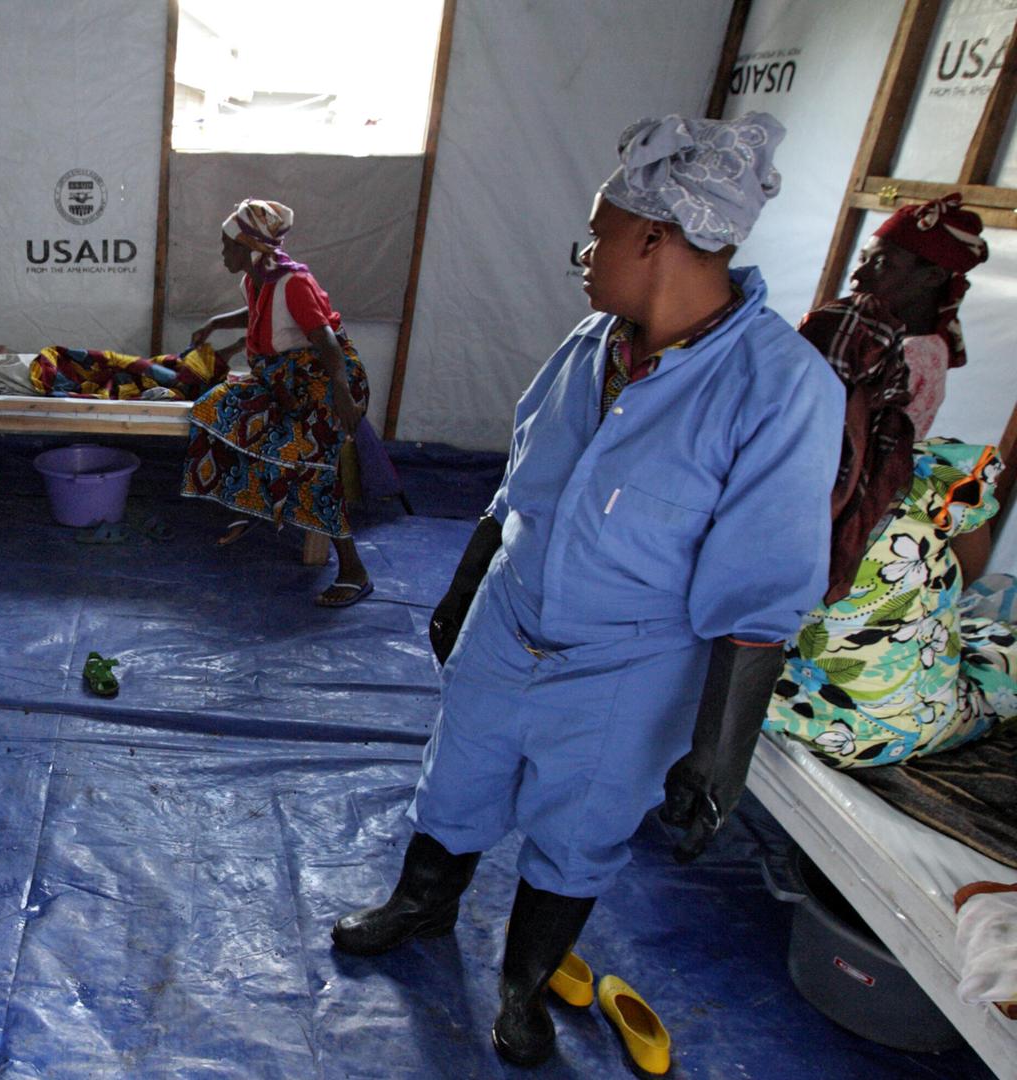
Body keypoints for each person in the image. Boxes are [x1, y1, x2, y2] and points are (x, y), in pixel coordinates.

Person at [329, 113, 844, 1067]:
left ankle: (523, 988)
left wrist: (718, 755)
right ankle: (422, 907)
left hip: (632, 661)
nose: (584, 255)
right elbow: (524, 477)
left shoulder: (782, 388)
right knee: (459, 775)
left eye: (596, 232)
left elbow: (764, 587)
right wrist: (465, 583)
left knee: (584, 826)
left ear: (656, 237)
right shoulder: (591, 342)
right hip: (510, 614)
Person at [768, 438, 1017, 766]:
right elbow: (970, 575)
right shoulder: (933, 476)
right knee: (1001, 669)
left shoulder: (768, 471)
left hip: (770, 707)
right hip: (883, 730)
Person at [180, 199, 373, 607]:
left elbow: (327, 342)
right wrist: (219, 327)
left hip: (324, 381)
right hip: (284, 381)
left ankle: (354, 570)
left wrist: (342, 396)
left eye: (227, 245)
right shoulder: (257, 278)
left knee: (309, 462)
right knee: (216, 409)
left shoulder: (294, 282)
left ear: (250, 246)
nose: (222, 253)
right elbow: (260, 316)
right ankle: (252, 505)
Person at [800, 193, 992, 598]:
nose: (859, 274)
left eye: (880, 262)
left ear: (932, 277)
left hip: (855, 493)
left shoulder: (913, 353)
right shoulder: (872, 334)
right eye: (863, 257)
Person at [0, 338, 228, 400]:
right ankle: (176, 384)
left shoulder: (1, 357)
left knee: (113, 361)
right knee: (116, 380)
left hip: (66, 364)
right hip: (58, 379)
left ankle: (179, 370)